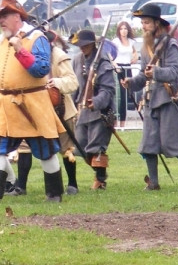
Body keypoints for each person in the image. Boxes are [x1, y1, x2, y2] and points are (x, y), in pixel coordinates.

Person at [0, 0, 65, 203]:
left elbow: (40, 69)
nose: (0, 21)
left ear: (17, 17)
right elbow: (1, 74)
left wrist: (21, 50)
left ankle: (54, 193)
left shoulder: (37, 38)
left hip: (31, 103)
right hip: (3, 104)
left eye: (4, 17)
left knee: (45, 151)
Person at [122, 3, 178, 191]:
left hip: (167, 98)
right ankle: (154, 183)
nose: (144, 26)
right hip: (150, 99)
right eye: (142, 23)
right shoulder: (145, 48)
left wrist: (155, 72)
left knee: (170, 143)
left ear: (157, 23)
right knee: (148, 144)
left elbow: (173, 73)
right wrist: (131, 83)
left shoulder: (171, 45)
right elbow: (143, 75)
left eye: (147, 22)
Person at [14, 29, 80, 195]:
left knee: (66, 148)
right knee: (24, 147)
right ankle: (21, 186)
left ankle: (72, 184)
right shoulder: (25, 52)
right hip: (34, 108)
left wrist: (56, 82)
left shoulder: (58, 55)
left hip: (61, 110)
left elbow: (72, 82)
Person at [72, 29, 117, 190]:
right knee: (80, 147)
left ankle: (100, 179)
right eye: (79, 45)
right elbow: (75, 85)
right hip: (83, 110)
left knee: (96, 147)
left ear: (93, 44)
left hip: (101, 111)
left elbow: (108, 90)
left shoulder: (103, 62)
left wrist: (96, 101)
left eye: (84, 45)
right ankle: (100, 173)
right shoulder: (77, 60)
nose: (82, 48)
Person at [111, 21, 139, 127]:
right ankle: (116, 121)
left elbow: (134, 52)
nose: (124, 31)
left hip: (128, 68)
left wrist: (135, 57)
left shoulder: (131, 41)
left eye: (125, 29)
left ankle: (123, 123)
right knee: (120, 95)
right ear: (119, 30)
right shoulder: (116, 41)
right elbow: (109, 54)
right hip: (119, 68)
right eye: (122, 29)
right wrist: (115, 65)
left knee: (126, 95)